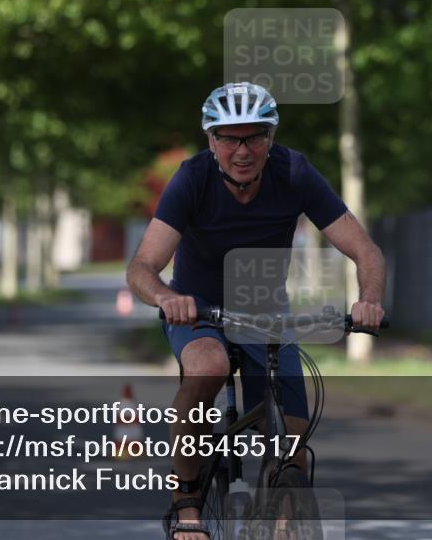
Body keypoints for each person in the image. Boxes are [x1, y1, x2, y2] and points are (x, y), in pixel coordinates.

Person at [126, 82, 386, 540]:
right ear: (212, 141)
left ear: (271, 138)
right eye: (229, 137)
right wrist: (168, 298)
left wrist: (368, 301)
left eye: (254, 136)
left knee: (293, 444)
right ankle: (186, 503)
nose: (241, 150)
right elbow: (142, 267)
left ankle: (284, 524)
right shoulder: (193, 179)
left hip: (266, 313)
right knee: (208, 365)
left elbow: (366, 252)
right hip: (198, 311)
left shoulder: (295, 173)